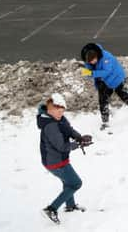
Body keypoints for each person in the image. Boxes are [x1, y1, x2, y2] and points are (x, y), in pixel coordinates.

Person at [37, 93, 93, 224]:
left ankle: (70, 206)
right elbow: (61, 146)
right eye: (57, 111)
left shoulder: (59, 119)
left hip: (59, 159)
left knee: (68, 183)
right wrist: (77, 144)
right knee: (76, 183)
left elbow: (69, 130)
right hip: (55, 162)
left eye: (62, 111)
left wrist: (80, 137)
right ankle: (51, 209)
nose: (60, 114)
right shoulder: (50, 125)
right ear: (49, 110)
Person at [80, 43, 128, 129]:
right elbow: (89, 68)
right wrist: (87, 72)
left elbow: (107, 71)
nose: (92, 62)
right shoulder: (89, 60)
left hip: (116, 78)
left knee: (124, 96)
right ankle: (105, 122)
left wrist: (91, 73)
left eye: (93, 60)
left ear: (97, 56)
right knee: (103, 101)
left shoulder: (106, 57)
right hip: (103, 81)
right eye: (90, 61)